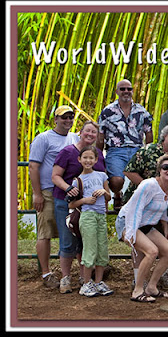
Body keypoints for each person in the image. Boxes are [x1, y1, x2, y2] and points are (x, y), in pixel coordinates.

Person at [122, 121, 168, 291]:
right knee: (141, 243)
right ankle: (139, 279)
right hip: (139, 203)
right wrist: (150, 189)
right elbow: (129, 171)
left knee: (167, 239)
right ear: (164, 136)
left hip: (164, 205)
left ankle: (160, 274)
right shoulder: (148, 150)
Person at [115, 154, 168, 303]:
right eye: (166, 167)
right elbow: (134, 209)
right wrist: (131, 232)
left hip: (146, 225)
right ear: (159, 170)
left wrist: (164, 224)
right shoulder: (148, 185)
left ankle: (151, 287)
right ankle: (137, 291)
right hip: (128, 221)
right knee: (152, 251)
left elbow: (163, 206)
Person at [51, 120, 106, 293]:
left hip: (91, 207)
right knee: (68, 241)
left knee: (86, 241)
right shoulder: (68, 151)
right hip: (66, 201)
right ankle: (66, 277)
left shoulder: (98, 154)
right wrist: (69, 188)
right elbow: (55, 176)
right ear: (80, 132)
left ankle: (85, 278)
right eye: (87, 131)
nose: (90, 135)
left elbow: (103, 180)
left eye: (94, 133)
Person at [29, 105, 79, 289]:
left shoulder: (75, 137)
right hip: (49, 191)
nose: (67, 120)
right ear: (55, 119)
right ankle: (46, 273)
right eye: (63, 117)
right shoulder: (43, 138)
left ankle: (78, 272)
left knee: (73, 229)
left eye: (70, 117)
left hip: (70, 193)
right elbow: (33, 166)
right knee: (45, 232)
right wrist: (37, 193)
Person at [97, 79, 153, 210]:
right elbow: (101, 135)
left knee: (141, 180)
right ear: (117, 91)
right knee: (116, 181)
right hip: (116, 150)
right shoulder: (107, 111)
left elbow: (149, 132)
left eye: (129, 89)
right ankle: (117, 194)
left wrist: (148, 152)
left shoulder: (141, 110)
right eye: (122, 89)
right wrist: (98, 158)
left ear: (133, 91)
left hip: (137, 149)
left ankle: (135, 204)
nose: (126, 91)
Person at [68, 146, 113, 297]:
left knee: (102, 248)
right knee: (90, 248)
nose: (88, 160)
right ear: (79, 160)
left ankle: (98, 282)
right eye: (85, 158)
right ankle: (86, 283)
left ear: (96, 160)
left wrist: (104, 192)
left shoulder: (101, 176)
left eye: (91, 158)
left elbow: (109, 197)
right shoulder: (77, 181)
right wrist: (84, 200)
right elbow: (71, 204)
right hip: (87, 216)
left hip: (101, 216)